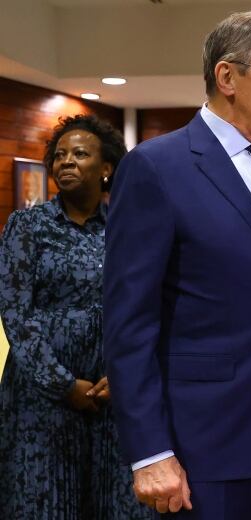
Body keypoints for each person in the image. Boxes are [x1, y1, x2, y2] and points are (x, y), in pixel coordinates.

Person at [103, 11, 251, 518]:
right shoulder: (155, 168)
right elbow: (128, 325)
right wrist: (150, 452)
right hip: (201, 444)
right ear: (227, 77)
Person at [0, 114, 151, 519]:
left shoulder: (125, 227)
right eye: (60, 155)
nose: (66, 161)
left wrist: (123, 375)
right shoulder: (27, 226)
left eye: (80, 154)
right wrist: (64, 385)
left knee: (117, 504)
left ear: (106, 170)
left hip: (111, 395)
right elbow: (15, 313)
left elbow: (144, 306)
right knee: (45, 504)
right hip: (42, 398)